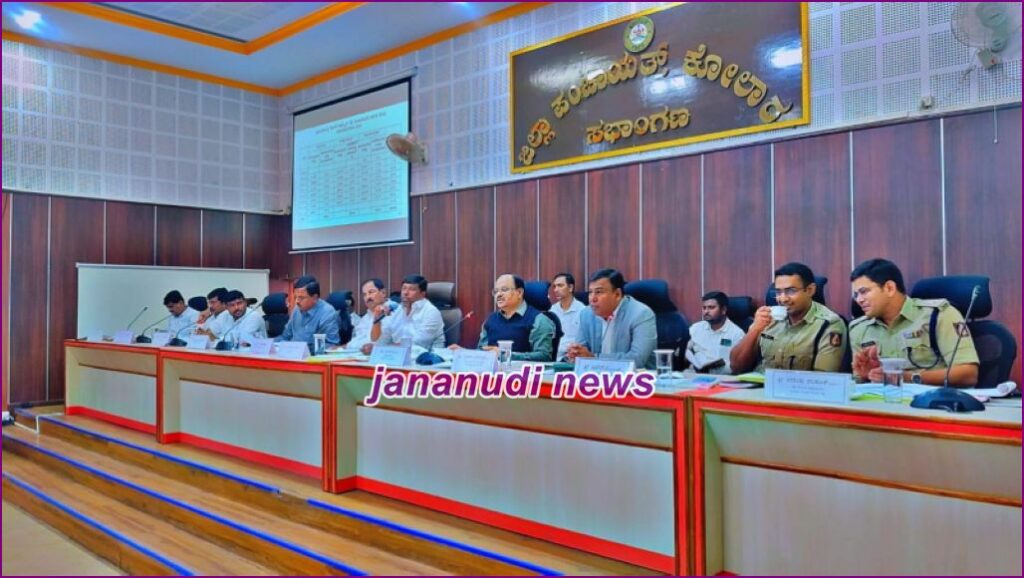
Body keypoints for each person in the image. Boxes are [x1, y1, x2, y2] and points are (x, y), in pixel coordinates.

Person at [849, 258, 979, 386]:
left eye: (863, 292)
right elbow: (858, 385)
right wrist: (868, 375)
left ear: (889, 288)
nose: (859, 300)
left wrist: (907, 378)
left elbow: (968, 374)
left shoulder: (939, 315)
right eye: (855, 295)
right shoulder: (859, 329)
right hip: (882, 398)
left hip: (934, 397)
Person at [730, 262, 847, 373]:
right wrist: (755, 329)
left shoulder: (829, 324)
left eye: (791, 291)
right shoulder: (768, 318)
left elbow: (823, 379)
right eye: (778, 292)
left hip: (797, 387)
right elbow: (736, 366)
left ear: (810, 290)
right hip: (758, 384)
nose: (783, 299)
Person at [567, 268, 658, 368]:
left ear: (617, 294)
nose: (592, 298)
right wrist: (576, 354)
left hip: (636, 376)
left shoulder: (640, 314)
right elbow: (581, 352)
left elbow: (637, 360)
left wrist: (594, 358)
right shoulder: (586, 314)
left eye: (598, 292)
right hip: (595, 374)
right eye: (590, 292)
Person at [453, 274, 554, 361]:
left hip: (522, 375)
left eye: (504, 290)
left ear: (519, 293)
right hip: (492, 374)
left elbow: (544, 356)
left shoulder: (539, 320)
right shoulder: (490, 320)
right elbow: (482, 352)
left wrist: (506, 355)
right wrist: (463, 352)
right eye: (496, 291)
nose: (499, 294)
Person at [365, 274, 444, 353]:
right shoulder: (397, 310)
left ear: (423, 293)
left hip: (426, 357)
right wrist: (377, 321)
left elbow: (419, 343)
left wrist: (389, 348)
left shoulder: (431, 312)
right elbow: (382, 340)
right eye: (404, 288)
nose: (405, 293)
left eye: (412, 289)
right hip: (397, 355)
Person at [685, 291, 745, 374]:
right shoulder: (695, 328)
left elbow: (739, 365)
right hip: (695, 375)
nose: (706, 311)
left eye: (711, 307)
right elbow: (684, 350)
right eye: (704, 308)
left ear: (723, 310)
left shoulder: (737, 334)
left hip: (723, 377)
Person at [277, 276, 340, 350]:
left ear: (315, 298)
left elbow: (330, 345)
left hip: (312, 356)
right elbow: (285, 336)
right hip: (293, 353)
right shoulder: (297, 309)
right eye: (295, 297)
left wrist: (302, 349)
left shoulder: (327, 313)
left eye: (301, 298)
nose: (297, 301)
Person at [548, 272, 586, 361]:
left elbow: (584, 342)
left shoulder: (583, 311)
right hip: (553, 357)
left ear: (570, 288)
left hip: (572, 358)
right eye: (554, 286)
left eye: (560, 286)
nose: (556, 290)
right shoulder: (552, 311)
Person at [349, 278, 387, 349]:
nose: (367, 297)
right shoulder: (365, 318)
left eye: (371, 292)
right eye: (364, 294)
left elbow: (378, 342)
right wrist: (342, 348)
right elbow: (358, 340)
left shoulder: (394, 312)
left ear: (383, 293)